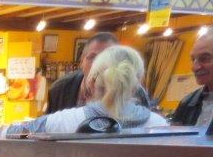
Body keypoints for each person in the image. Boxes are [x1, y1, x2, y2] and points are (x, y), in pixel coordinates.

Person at [11, 46, 166, 134]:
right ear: (136, 85)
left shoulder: (64, 121)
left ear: (92, 82)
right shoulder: (160, 126)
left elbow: (11, 133)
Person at [46, 32, 150, 113]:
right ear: (81, 61)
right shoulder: (60, 89)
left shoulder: (135, 91)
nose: (98, 64)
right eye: (92, 57)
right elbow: (46, 134)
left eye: (109, 59)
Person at [172, 33, 213, 127]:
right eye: (193, 59)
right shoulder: (187, 103)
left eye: (204, 59)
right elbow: (176, 140)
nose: (195, 67)